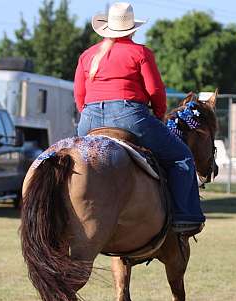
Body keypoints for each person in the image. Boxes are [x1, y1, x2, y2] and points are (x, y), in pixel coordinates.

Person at [74, 2, 204, 234]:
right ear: (132, 29)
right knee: (181, 156)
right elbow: (155, 91)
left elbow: (80, 96)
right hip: (130, 116)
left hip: (89, 120)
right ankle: (185, 216)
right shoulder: (140, 53)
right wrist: (159, 114)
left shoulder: (87, 56)